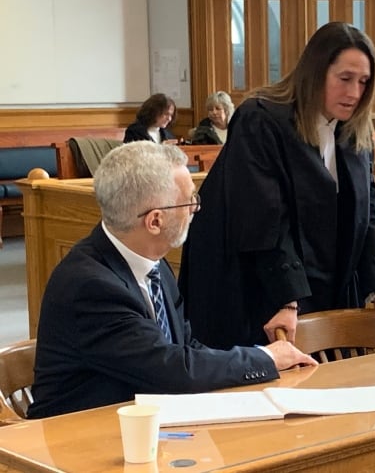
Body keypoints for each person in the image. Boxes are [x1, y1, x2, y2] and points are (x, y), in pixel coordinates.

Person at [27, 141, 317, 419]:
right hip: (76, 441)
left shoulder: (152, 261)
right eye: (189, 200)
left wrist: (259, 361)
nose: (195, 209)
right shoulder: (90, 286)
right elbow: (172, 372)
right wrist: (265, 358)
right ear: (155, 221)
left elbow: (186, 348)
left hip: (140, 422)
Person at [179, 21, 375, 350]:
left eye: (364, 82)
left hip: (320, 280)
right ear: (316, 72)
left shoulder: (354, 130)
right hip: (254, 285)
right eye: (345, 79)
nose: (354, 93)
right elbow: (264, 220)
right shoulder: (260, 120)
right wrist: (288, 301)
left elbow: (368, 213)